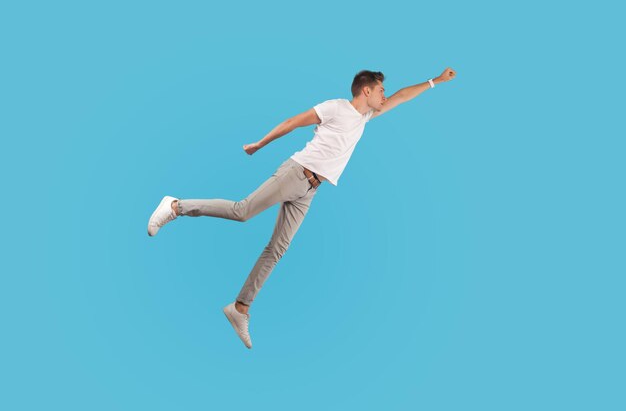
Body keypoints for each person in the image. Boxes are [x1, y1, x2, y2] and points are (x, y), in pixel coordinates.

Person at [147, 68, 457, 349]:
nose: (384, 95)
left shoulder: (364, 118)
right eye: (380, 90)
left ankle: (240, 308)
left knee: (277, 248)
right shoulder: (337, 108)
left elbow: (402, 97)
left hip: (310, 189)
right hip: (296, 172)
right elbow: (293, 122)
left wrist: (435, 81)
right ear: (366, 90)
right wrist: (260, 144)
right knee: (242, 211)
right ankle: (176, 206)